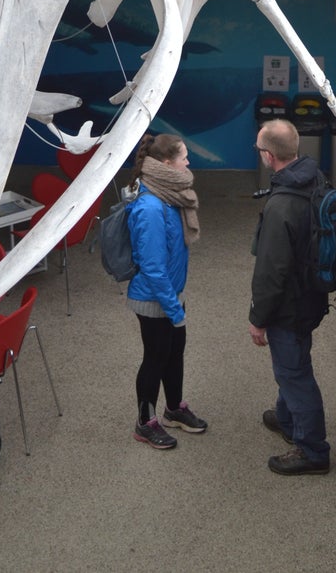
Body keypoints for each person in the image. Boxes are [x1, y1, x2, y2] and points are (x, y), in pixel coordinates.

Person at [249, 118, 331, 476]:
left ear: (269, 155)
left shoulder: (281, 205)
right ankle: (285, 419)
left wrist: (257, 318)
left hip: (289, 306)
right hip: (311, 295)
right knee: (292, 363)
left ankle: (313, 451)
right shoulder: (315, 179)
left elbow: (271, 272)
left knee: (295, 374)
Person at [126, 132, 207, 449]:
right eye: (183, 157)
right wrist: (174, 310)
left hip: (173, 293)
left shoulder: (170, 193)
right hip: (154, 298)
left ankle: (174, 409)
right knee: (155, 358)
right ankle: (144, 423)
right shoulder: (150, 207)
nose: (188, 162)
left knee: (174, 354)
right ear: (165, 163)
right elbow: (153, 266)